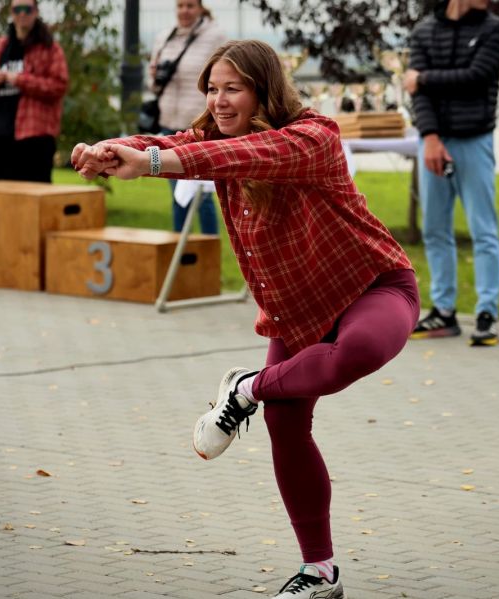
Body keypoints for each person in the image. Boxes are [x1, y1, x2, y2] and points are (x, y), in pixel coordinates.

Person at [72, 39, 419, 599]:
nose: (220, 99)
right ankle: (319, 573)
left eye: (232, 88)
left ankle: (245, 388)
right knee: (286, 425)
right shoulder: (216, 138)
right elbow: (169, 142)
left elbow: (243, 156)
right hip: (296, 314)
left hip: (372, 288)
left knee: (352, 356)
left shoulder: (314, 138)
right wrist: (115, 149)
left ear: (264, 90)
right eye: (212, 89)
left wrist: (154, 163)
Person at [404, 0, 499, 346]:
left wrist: (422, 79)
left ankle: (487, 313)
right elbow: (417, 97)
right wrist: (431, 138)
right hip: (433, 142)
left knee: (484, 229)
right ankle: (444, 312)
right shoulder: (423, 32)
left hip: (475, 141)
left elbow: (476, 79)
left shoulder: (494, 29)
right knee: (435, 228)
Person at [148, 0, 226, 234]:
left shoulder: (215, 37)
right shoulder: (165, 37)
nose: (184, 11)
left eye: (190, 6)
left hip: (199, 125)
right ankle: (181, 253)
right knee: (177, 194)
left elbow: (223, 78)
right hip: (168, 122)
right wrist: (155, 76)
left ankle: (208, 251)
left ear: (201, 8)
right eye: (180, 6)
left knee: (201, 194)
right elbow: (153, 84)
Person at [0, 0, 68, 182]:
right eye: (17, 9)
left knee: (35, 199)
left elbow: (59, 86)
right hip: (1, 132)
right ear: (11, 12)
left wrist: (19, 79)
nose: (22, 13)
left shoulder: (49, 48)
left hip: (35, 135)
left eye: (27, 9)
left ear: (36, 12)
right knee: (3, 197)